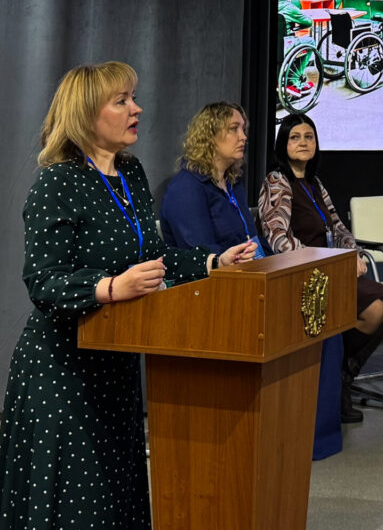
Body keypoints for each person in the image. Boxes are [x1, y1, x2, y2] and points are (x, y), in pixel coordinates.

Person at [0, 62, 254, 529]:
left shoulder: (131, 173)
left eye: (133, 98)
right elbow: (43, 281)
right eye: (122, 101)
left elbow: (150, 257)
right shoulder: (58, 182)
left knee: (117, 504)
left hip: (116, 369)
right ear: (86, 114)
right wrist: (113, 287)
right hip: (64, 374)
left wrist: (213, 262)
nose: (136, 109)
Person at [259, 113, 383, 424]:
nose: (303, 143)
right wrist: (324, 262)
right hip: (304, 274)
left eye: (309, 137)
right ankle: (337, 382)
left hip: (331, 269)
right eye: (295, 137)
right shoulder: (277, 182)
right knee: (373, 310)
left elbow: (337, 227)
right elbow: (278, 238)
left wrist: (352, 254)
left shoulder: (315, 183)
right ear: (283, 145)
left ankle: (343, 376)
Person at [158, 102, 265, 258]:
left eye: (243, 129)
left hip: (249, 268)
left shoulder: (233, 182)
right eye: (234, 129)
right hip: (219, 271)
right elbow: (203, 254)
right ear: (210, 135)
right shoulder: (186, 188)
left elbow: (253, 239)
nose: (243, 137)